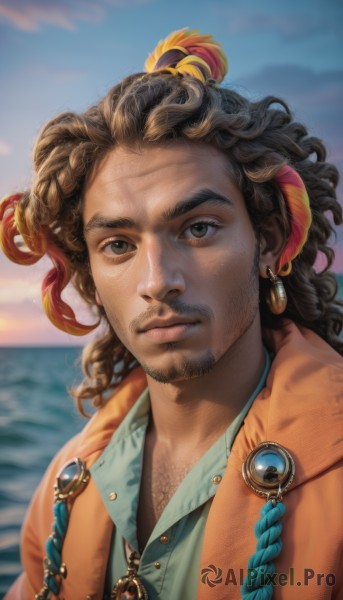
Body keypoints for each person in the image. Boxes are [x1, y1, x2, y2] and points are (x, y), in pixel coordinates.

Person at [1, 27, 342, 600]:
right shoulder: (67, 483)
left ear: (269, 239)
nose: (158, 281)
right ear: (89, 272)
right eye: (118, 245)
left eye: (199, 228)